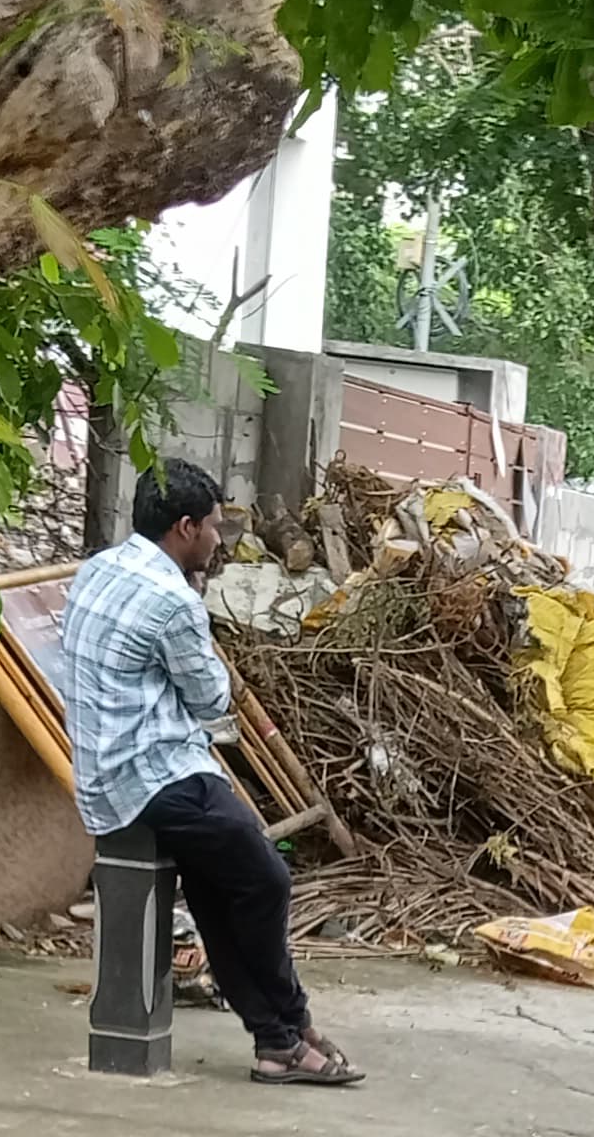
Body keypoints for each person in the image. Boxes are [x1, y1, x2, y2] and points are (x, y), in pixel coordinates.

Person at [55, 460, 364, 1087]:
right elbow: (211, 701)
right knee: (266, 879)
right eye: (214, 529)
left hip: (102, 769)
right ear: (185, 526)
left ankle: (279, 1037)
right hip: (152, 776)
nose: (220, 542)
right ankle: (285, 1031)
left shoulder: (99, 568)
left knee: (218, 882)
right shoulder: (172, 600)